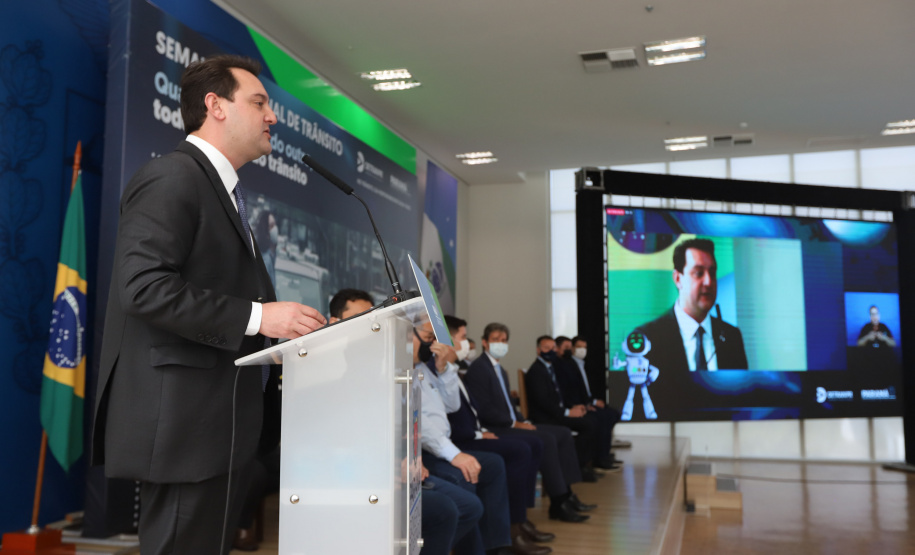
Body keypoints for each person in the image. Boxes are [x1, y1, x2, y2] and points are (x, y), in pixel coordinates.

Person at [91, 55, 327, 554]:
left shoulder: (223, 190)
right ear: (214, 105)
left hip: (219, 424)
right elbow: (143, 287)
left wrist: (272, 337)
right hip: (184, 427)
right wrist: (263, 317)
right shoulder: (174, 177)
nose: (272, 117)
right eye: (259, 102)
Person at [463, 323, 596, 523]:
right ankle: (558, 502)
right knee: (547, 439)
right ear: (484, 342)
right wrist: (515, 424)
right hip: (496, 427)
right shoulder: (479, 369)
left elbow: (508, 404)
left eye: (504, 340)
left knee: (563, 433)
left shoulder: (499, 369)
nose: (501, 344)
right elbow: (485, 410)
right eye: (496, 339)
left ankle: (566, 494)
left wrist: (523, 420)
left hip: (511, 423)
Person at [445, 316, 554, 553]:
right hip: (474, 434)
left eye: (504, 340)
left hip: (480, 431)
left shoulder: (484, 370)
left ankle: (519, 520)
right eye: (464, 338)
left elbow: (477, 410)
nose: (467, 344)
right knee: (521, 448)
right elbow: (480, 411)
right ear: (485, 342)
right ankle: (512, 530)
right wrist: (485, 431)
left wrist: (516, 422)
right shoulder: (474, 370)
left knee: (533, 443)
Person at [414, 321, 513, 554]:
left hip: (441, 447)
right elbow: (422, 425)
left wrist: (444, 368)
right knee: (464, 477)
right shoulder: (404, 369)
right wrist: (455, 455)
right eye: (429, 338)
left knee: (494, 464)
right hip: (426, 452)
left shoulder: (425, 368)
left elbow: (452, 405)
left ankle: (497, 544)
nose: (434, 344)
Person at [634, 238, 748, 372]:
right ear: (678, 279)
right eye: (699, 273)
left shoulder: (732, 336)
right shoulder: (648, 338)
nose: (708, 282)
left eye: (712, 272)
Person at [525, 337, 601, 481]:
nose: (551, 351)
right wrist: (567, 412)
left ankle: (582, 466)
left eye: (553, 348)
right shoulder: (536, 371)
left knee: (591, 420)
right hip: (545, 417)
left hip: (556, 413)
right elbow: (544, 402)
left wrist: (572, 407)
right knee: (587, 425)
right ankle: (578, 468)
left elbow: (558, 397)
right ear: (538, 350)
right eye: (546, 348)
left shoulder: (550, 368)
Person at [553, 336, 623, 469]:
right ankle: (592, 461)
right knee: (597, 419)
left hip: (580, 404)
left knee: (611, 414)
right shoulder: (561, 366)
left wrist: (588, 403)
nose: (582, 350)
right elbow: (566, 392)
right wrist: (582, 406)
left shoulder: (573, 364)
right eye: (577, 347)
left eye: (584, 347)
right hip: (568, 408)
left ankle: (602, 455)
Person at [254, 210, 278, 289]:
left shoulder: (271, 256)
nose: (275, 229)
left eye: (275, 225)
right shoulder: (265, 260)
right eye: (271, 226)